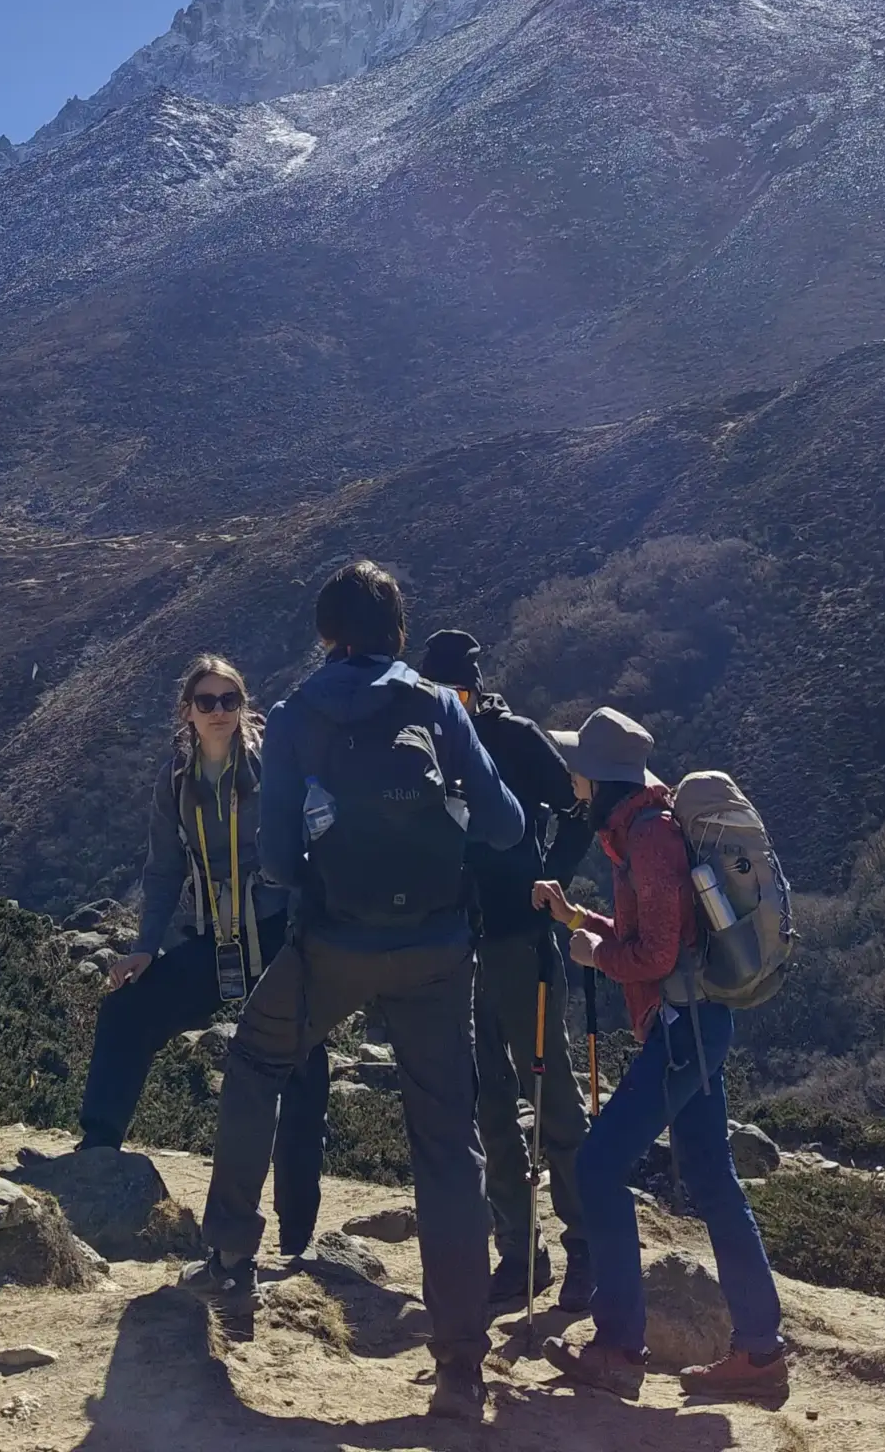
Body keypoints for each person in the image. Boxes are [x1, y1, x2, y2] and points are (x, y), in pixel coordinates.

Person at [192, 560, 524, 1428]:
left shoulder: (299, 712)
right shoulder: (441, 708)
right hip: (438, 954)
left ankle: (229, 1254)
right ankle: (458, 1366)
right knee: (448, 1147)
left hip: (334, 943)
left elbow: (271, 860)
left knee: (258, 1058)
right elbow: (505, 827)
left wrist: (323, 886)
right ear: (398, 631)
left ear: (328, 632)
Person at [532, 707, 787, 1405]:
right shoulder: (645, 827)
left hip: (680, 1033)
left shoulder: (647, 839)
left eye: (580, 774)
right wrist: (579, 920)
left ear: (605, 780)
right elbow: (655, 934)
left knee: (598, 1166)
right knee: (711, 1177)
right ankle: (760, 1355)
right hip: (697, 1027)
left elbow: (654, 953)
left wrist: (595, 954)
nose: (575, 785)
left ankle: (618, 1348)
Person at [76, 653, 329, 1255]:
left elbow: (313, 852)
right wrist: (143, 949)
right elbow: (162, 870)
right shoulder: (176, 779)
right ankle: (96, 1156)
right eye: (207, 701)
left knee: (302, 1068)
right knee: (127, 1011)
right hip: (212, 936)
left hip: (275, 934)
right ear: (187, 711)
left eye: (230, 701)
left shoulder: (275, 768)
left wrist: (308, 943)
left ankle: (297, 1233)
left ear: (244, 706)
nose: (219, 712)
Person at [416, 628, 594, 1314]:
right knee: (489, 1103)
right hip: (458, 942)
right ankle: (519, 1251)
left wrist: (552, 877)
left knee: (552, 1097)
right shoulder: (423, 742)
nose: (451, 703)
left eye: (459, 690)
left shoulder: (514, 735)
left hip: (521, 939)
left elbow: (578, 808)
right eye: (440, 691)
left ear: (477, 686)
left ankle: (586, 1250)